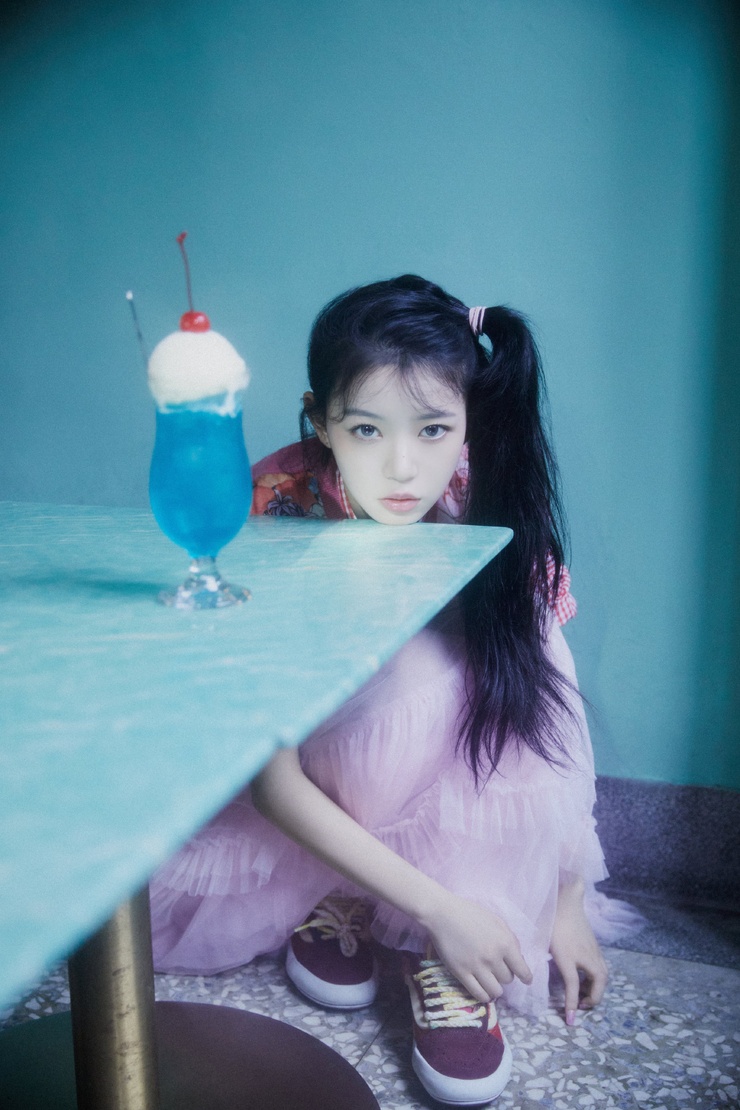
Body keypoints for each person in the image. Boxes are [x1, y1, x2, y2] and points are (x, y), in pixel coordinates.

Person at [150, 275, 639, 1105]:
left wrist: (564, 901)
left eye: (435, 429)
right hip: (307, 787)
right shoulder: (271, 510)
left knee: (501, 654)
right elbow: (267, 776)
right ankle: (353, 891)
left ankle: (433, 943)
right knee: (413, 667)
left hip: (446, 777)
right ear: (319, 421)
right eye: (366, 429)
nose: (404, 467)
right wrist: (440, 909)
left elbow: (548, 717)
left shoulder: (484, 506)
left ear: (469, 423)